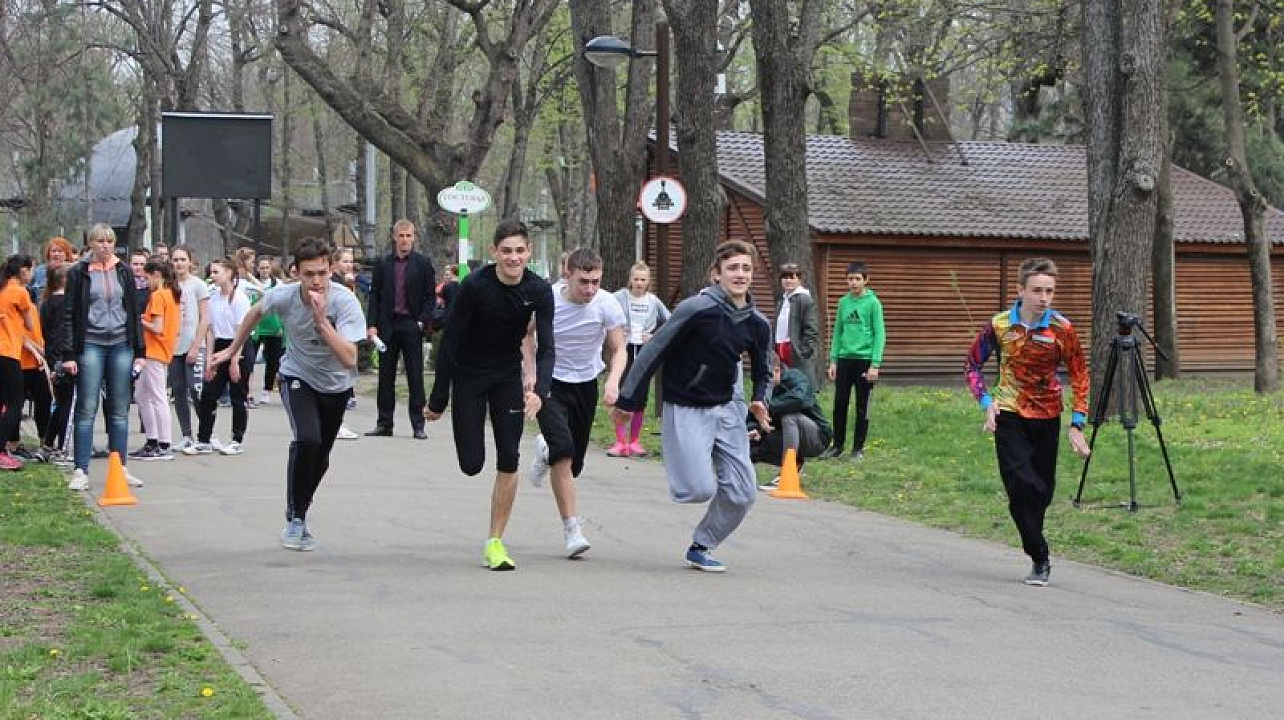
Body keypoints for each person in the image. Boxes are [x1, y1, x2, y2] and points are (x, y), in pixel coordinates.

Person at [611, 240, 774, 573]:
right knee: (699, 489)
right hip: (686, 405)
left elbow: (763, 369)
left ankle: (703, 544)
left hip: (727, 407)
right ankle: (692, 462)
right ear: (716, 274)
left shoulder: (757, 322)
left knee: (743, 492)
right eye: (732, 268)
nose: (740, 274)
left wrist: (760, 399)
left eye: (746, 268)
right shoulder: (695, 309)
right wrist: (629, 401)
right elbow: (654, 352)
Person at [209, 238, 365, 551]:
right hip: (298, 376)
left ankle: (300, 508)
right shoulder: (284, 295)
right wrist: (232, 349)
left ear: (331, 270)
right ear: (296, 273)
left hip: (335, 385)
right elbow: (255, 312)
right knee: (307, 439)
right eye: (309, 275)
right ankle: (296, 519)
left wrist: (323, 323)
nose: (317, 281)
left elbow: (349, 358)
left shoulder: (345, 302)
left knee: (320, 458)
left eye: (322, 273)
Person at [426, 219, 552, 571]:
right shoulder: (475, 286)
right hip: (469, 373)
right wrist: (438, 399)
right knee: (471, 464)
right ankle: (492, 530)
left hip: (506, 375)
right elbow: (450, 341)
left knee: (509, 456)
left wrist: (540, 389)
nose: (513, 257)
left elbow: (546, 347)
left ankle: (495, 542)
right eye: (506, 251)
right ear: (495, 252)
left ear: (528, 253)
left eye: (519, 251)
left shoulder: (538, 290)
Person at [965, 257, 1091, 587]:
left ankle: (1034, 541)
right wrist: (986, 403)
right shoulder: (1000, 325)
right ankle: (1039, 555)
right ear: (1021, 290)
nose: (1044, 297)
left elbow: (1080, 374)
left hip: (1048, 415)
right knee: (1023, 484)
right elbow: (972, 366)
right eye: (1037, 290)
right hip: (1009, 413)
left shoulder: (1063, 329)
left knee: (1042, 493)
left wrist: (1077, 424)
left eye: (1049, 291)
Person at [525, 248, 627, 558]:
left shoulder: (607, 304)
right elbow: (524, 335)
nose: (590, 289)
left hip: (585, 384)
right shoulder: (548, 299)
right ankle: (572, 529)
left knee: (574, 463)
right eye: (583, 282)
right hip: (550, 381)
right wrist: (530, 374)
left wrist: (612, 381)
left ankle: (546, 448)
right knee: (564, 454)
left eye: (596, 281)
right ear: (567, 275)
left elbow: (619, 349)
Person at [59, 224, 146, 491]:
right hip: (90, 344)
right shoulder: (79, 273)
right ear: (90, 244)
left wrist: (140, 351)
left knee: (119, 409)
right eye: (99, 241)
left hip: (121, 343)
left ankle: (120, 467)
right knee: (86, 407)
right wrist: (69, 354)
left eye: (109, 241)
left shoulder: (124, 271)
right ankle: (81, 469)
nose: (105, 246)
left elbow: (133, 311)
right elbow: (69, 313)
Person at [366, 219, 436, 439]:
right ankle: (384, 423)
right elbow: (374, 296)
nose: (405, 240)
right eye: (401, 236)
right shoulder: (383, 263)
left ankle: (418, 425)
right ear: (394, 237)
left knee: (415, 376)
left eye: (409, 236)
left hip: (411, 324)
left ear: (414, 238)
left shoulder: (423, 264)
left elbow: (430, 297)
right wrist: (372, 325)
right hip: (387, 325)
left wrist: (422, 321)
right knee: (385, 377)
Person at [821, 261, 885, 460]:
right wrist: (833, 360)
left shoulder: (873, 303)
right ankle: (837, 445)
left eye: (857, 279)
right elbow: (838, 332)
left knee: (861, 405)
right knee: (840, 403)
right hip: (844, 359)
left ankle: (858, 448)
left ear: (866, 280)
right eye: (850, 279)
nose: (853, 283)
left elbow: (879, 334)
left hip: (864, 360)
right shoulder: (843, 303)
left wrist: (875, 364)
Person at [189, 256, 251, 456]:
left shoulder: (239, 298)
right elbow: (211, 330)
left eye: (217, 272)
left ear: (229, 273)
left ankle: (236, 439)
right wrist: (210, 358)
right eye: (211, 272)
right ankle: (204, 439)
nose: (212, 276)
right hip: (220, 345)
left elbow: (242, 329)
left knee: (237, 395)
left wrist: (234, 360)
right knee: (208, 393)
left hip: (238, 345)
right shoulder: (214, 297)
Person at [609, 261, 669, 457]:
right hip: (624, 350)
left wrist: (654, 336)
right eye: (636, 279)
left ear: (648, 281)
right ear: (630, 280)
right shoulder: (620, 297)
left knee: (640, 395)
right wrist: (617, 329)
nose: (639, 283)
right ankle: (620, 442)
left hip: (644, 351)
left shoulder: (653, 301)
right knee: (622, 393)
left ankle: (634, 441)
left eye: (643, 279)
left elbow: (671, 321)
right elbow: (604, 311)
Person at [751, 363, 833, 491]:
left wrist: (767, 408)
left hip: (817, 437)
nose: (763, 381)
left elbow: (798, 400)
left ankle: (787, 472)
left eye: (766, 376)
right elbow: (754, 415)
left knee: (789, 416)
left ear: (777, 371)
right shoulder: (764, 390)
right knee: (753, 441)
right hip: (788, 435)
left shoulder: (796, 377)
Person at [131, 258, 180, 461]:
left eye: (147, 277)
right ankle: (153, 440)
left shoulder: (158, 295)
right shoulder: (172, 294)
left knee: (157, 397)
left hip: (154, 351)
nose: (146, 282)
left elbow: (158, 328)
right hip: (159, 351)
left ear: (156, 275)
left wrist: (141, 320)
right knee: (142, 395)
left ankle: (163, 442)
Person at [0, 255, 43, 470]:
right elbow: (28, 323)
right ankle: (1, 450)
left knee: (3, 402)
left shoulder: (2, 288)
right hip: (8, 352)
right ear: (24, 271)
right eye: (31, 270)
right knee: (16, 402)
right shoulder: (20, 292)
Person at [169, 245, 209, 454]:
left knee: (196, 389)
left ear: (190, 262)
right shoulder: (169, 286)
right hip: (173, 347)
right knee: (179, 391)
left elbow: (205, 318)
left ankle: (206, 433)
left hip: (193, 345)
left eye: (182, 259)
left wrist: (196, 345)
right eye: (175, 260)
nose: (178, 264)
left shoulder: (198, 286)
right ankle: (187, 435)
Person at [39, 267, 73, 464]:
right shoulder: (66, 304)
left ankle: (49, 443)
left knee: (60, 402)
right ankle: (62, 445)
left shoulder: (47, 303)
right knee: (67, 403)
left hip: (53, 355)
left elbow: (45, 330)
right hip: (64, 356)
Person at [774, 262, 821, 388]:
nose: (788, 280)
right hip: (780, 348)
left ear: (799, 280)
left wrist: (803, 352)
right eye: (785, 277)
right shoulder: (782, 301)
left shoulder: (804, 300)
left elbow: (811, 329)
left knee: (799, 386)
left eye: (792, 277)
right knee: (783, 386)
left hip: (794, 350)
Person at [252, 257, 286, 405]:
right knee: (249, 359)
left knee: (272, 361)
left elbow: (282, 305)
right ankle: (248, 390)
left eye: (267, 268)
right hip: (257, 326)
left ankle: (266, 390)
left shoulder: (278, 284)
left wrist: (280, 325)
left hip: (273, 326)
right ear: (257, 269)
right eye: (262, 268)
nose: (265, 270)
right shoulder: (251, 284)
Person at [30, 236, 74, 301]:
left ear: (66, 254)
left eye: (60, 251)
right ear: (48, 254)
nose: (56, 254)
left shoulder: (73, 271)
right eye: (53, 251)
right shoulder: (40, 271)